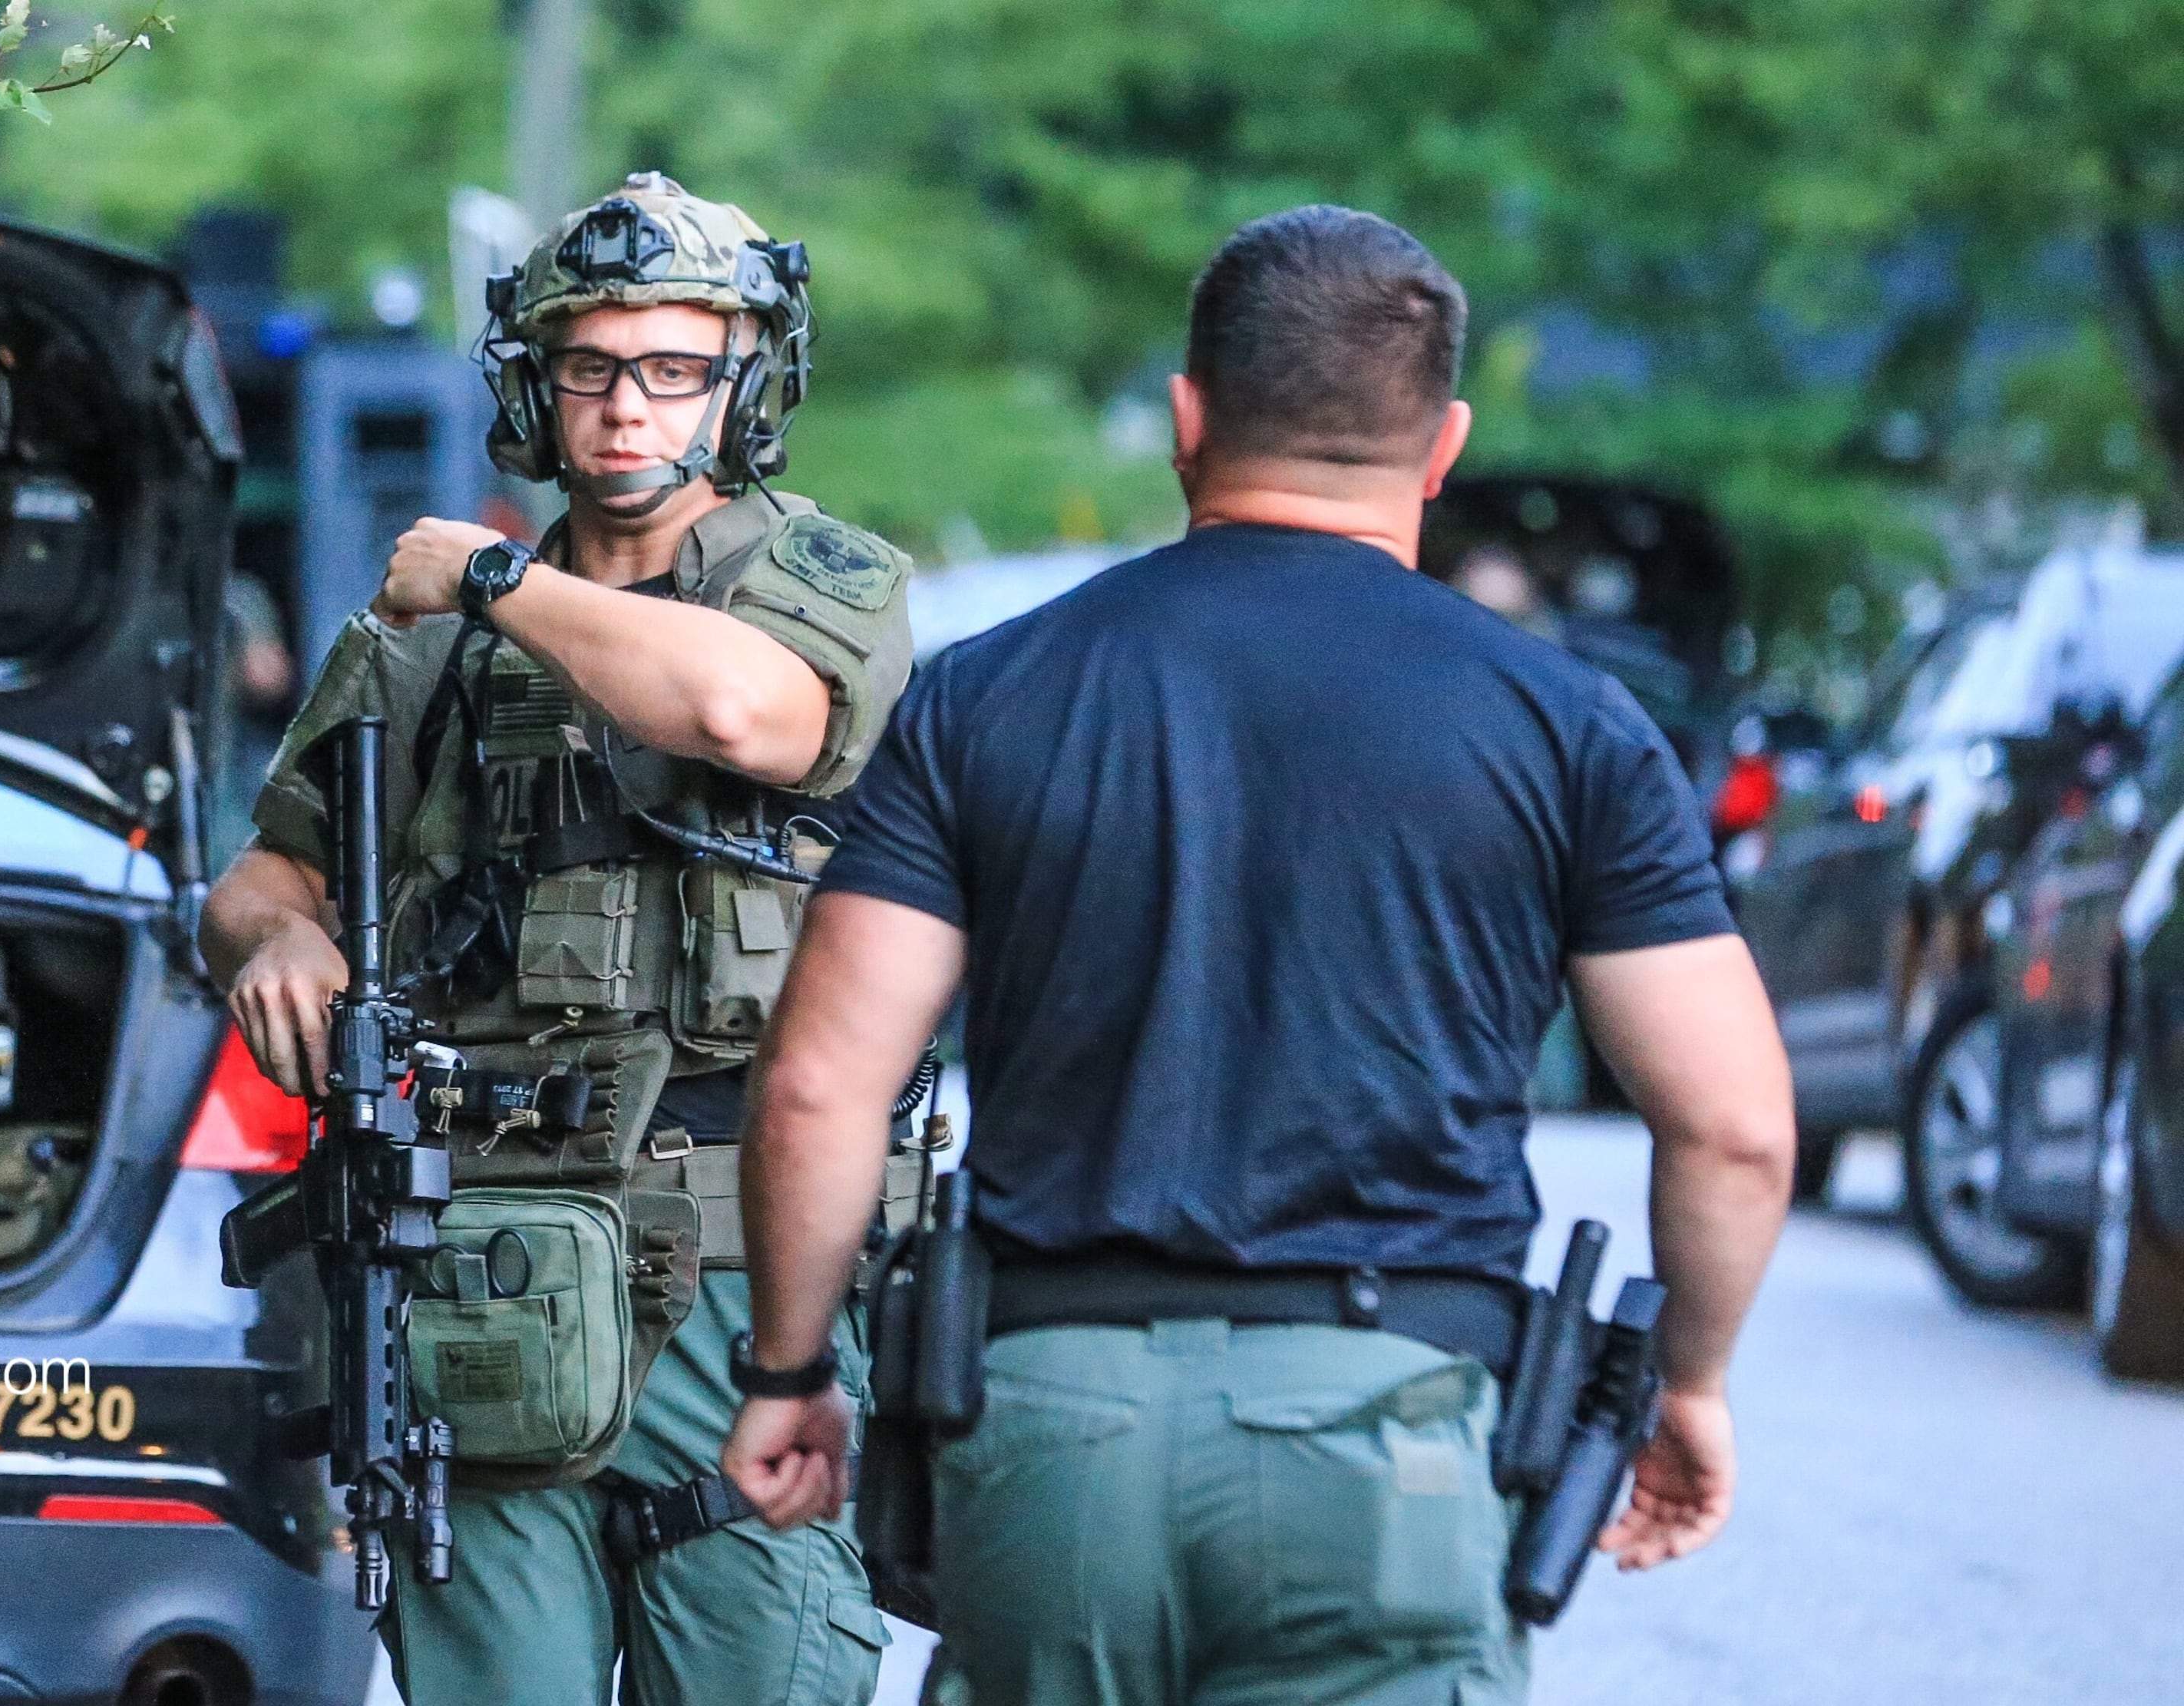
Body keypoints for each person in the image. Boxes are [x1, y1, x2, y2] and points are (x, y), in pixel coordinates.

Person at [719, 206, 1796, 1704]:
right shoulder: (1572, 730)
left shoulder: (987, 697)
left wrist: (789, 1373)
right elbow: (1735, 1127)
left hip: (1047, 1429)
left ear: (1186, 418)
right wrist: (1686, 1381)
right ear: (1445, 444)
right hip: (1391, 1435)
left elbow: (821, 1085)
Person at [202, 174, 914, 1705]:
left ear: (746, 382)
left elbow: (744, 712)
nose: (625, 411)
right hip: (491, 1273)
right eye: (589, 367)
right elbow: (264, 878)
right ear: (537, 385)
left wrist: (494, 578)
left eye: (673, 369)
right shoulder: (433, 645)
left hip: (742, 1278)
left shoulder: (820, 583)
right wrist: (280, 946)